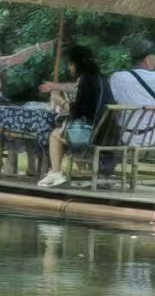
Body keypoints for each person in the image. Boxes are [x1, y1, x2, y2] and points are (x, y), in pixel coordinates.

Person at [36, 44, 109, 188]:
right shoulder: (100, 78)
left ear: (76, 64)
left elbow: (78, 111)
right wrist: (55, 87)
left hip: (89, 133)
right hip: (105, 131)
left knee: (55, 135)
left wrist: (60, 101)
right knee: (61, 129)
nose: (69, 68)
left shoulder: (85, 80)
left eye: (70, 64)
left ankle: (56, 172)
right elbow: (80, 96)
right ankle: (73, 172)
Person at [109, 39, 155, 147]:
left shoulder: (117, 77)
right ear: (148, 60)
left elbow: (113, 109)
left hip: (123, 136)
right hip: (150, 138)